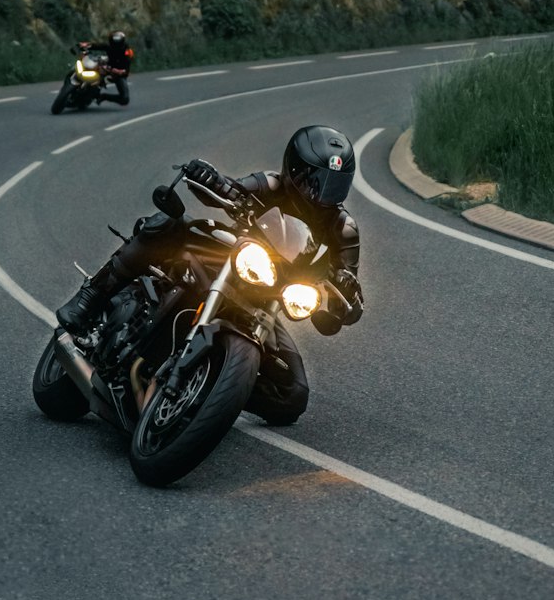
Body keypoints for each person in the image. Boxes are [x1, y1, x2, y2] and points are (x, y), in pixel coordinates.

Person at [55, 125, 364, 421]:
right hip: (237, 259)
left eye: (333, 185)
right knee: (169, 223)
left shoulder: (344, 229)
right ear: (293, 170)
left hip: (267, 297)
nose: (321, 192)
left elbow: (349, 302)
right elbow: (232, 188)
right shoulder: (272, 184)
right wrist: (213, 179)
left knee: (292, 394)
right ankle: (91, 296)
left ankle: (212, 389)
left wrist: (346, 295)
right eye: (313, 180)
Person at [100, 29, 133, 105]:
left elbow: (128, 64)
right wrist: (85, 45)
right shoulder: (108, 47)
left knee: (124, 99)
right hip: (107, 69)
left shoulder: (127, 50)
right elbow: (96, 46)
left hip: (118, 73)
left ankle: (103, 96)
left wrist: (122, 71)